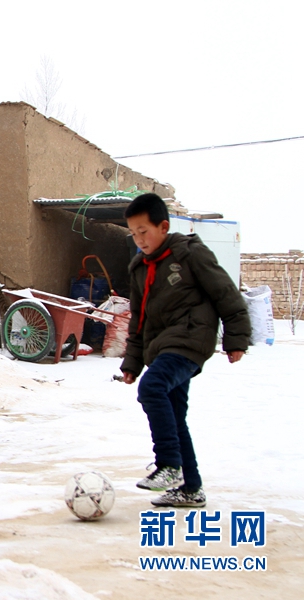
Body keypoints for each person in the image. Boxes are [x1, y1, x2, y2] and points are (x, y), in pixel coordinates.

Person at [121, 193, 250, 508]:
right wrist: (132, 361)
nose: (140, 240)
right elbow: (139, 319)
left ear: (164, 226)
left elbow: (225, 293)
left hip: (192, 339)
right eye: (134, 234)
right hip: (162, 344)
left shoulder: (190, 254)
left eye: (144, 231)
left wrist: (236, 338)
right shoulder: (139, 267)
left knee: (152, 387)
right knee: (174, 414)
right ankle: (190, 488)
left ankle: (169, 465)